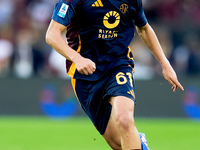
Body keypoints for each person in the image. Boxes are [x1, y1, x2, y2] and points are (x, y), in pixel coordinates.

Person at [46, 0, 184, 149]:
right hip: (84, 74)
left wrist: (165, 63)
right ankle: (140, 143)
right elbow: (52, 35)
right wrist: (77, 58)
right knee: (117, 143)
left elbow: (143, 28)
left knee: (124, 120)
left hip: (118, 65)